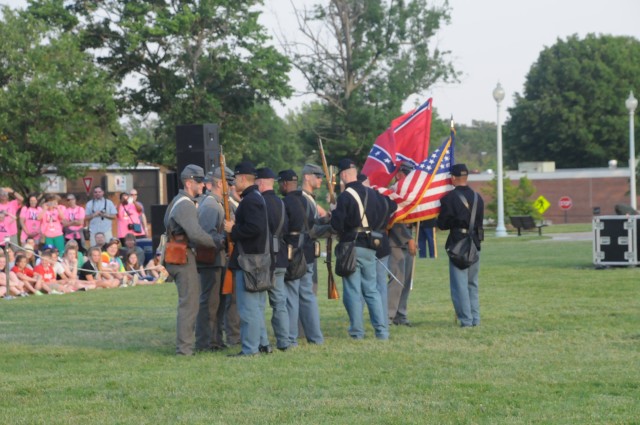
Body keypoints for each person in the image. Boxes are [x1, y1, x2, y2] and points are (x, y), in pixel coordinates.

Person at [330, 159, 396, 340]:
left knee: (352, 290)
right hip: (371, 247)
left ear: (343, 175)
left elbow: (336, 224)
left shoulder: (345, 196)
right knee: (372, 290)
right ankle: (382, 332)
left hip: (352, 245)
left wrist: (333, 211)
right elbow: (391, 207)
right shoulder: (373, 194)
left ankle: (357, 331)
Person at [164, 164, 222, 356]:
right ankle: (185, 349)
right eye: (199, 181)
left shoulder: (177, 201)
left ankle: (186, 347)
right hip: (182, 255)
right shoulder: (186, 204)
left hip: (177, 254)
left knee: (189, 303)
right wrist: (217, 242)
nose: (203, 185)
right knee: (189, 304)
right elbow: (195, 234)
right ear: (189, 183)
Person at [223, 161, 270, 357]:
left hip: (249, 260)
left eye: (235, 179)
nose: (233, 184)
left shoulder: (250, 200)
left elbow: (254, 228)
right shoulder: (255, 197)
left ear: (242, 178)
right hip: (256, 260)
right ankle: (262, 344)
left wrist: (233, 229)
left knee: (248, 308)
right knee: (256, 307)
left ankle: (250, 349)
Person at [278, 169, 324, 347]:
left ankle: (291, 339)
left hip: (294, 251)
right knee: (307, 295)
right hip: (309, 250)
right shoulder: (306, 201)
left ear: (284, 184)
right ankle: (316, 337)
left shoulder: (286, 202)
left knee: (291, 296)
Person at [437, 164, 484, 328]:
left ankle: (466, 320)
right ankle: (475, 319)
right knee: (472, 284)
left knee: (460, 286)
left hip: (458, 243)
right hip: (475, 243)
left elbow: (442, 224)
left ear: (453, 178)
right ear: (467, 178)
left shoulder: (448, 198)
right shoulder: (478, 197)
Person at [194, 167, 228, 352]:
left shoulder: (216, 203)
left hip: (218, 260)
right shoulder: (211, 205)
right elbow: (207, 236)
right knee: (209, 303)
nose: (230, 187)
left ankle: (215, 340)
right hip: (211, 260)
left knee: (218, 303)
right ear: (220, 183)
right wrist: (225, 240)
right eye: (228, 183)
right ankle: (204, 342)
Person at [256, 167, 290, 352]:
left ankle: (263, 342)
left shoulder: (259, 202)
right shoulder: (281, 202)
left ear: (260, 182)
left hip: (265, 257)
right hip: (281, 256)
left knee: (259, 303)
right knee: (279, 303)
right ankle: (284, 342)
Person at [387, 161, 417, 327]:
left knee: (406, 280)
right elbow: (395, 221)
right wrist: (409, 239)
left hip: (408, 239)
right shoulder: (392, 192)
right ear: (399, 175)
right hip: (395, 241)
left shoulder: (410, 193)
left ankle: (401, 314)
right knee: (396, 280)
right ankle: (388, 316)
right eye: (407, 174)